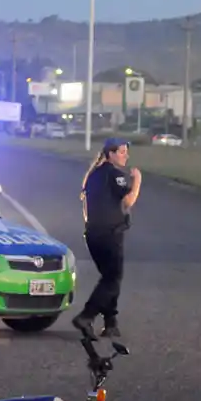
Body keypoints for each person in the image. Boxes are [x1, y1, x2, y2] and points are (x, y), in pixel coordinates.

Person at [72, 137, 142, 340]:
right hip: (109, 234)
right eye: (121, 151)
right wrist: (137, 180)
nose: (125, 155)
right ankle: (86, 316)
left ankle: (110, 323)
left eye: (126, 151)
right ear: (110, 154)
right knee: (112, 280)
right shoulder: (114, 174)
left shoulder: (93, 175)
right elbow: (128, 201)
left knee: (109, 280)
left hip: (92, 234)